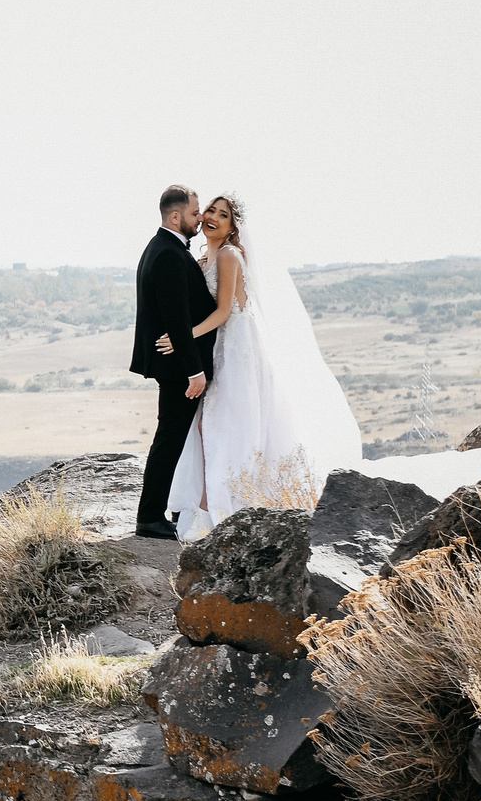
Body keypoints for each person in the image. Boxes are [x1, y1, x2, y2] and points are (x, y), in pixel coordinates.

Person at [159, 194, 365, 539]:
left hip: (238, 346)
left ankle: (222, 508)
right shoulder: (203, 256)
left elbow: (224, 312)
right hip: (218, 345)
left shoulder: (228, 255)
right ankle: (209, 503)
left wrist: (182, 337)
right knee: (206, 426)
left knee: (224, 425)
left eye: (222, 215)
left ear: (232, 226)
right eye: (209, 210)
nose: (212, 217)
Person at [129, 184, 216, 540]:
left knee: (173, 438)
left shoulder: (163, 247)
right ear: (176, 216)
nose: (200, 219)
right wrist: (195, 371)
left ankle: (163, 509)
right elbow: (177, 319)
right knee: (169, 439)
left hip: (174, 364)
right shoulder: (166, 253)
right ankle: (150, 516)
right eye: (196, 213)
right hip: (179, 368)